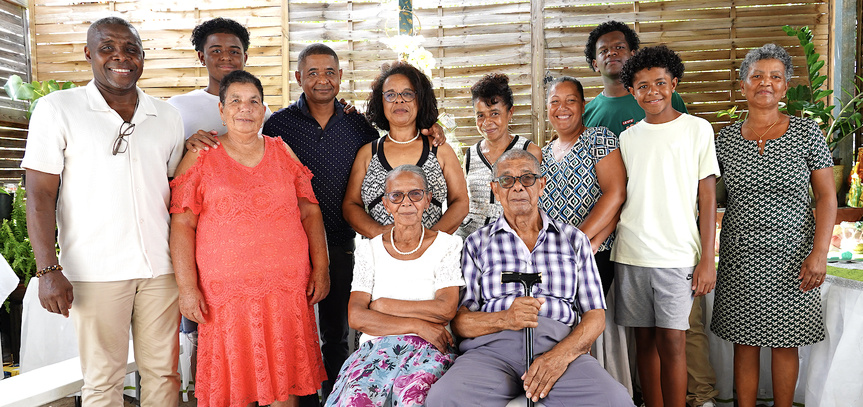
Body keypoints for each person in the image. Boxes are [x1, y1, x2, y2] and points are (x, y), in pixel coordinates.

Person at [22, 17, 184, 405]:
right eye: (107, 47)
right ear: (89, 54)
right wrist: (47, 270)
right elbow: (39, 194)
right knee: (103, 381)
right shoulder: (58, 109)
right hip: (95, 271)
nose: (120, 57)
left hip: (160, 270)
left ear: (143, 56)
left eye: (131, 48)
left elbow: (175, 192)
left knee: (165, 375)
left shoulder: (168, 116)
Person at [426, 149, 634, 406]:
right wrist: (505, 318)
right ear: (496, 189)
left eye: (527, 178)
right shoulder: (476, 243)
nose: (517, 187)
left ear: (541, 184)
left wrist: (559, 356)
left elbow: (595, 316)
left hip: (557, 345)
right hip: (490, 352)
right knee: (443, 398)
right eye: (506, 180)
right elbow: (461, 322)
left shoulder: (573, 240)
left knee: (615, 400)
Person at [169, 70, 328, 407]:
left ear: (263, 108)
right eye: (236, 101)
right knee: (231, 387)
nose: (245, 108)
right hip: (227, 295)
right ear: (222, 109)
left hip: (284, 288)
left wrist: (322, 268)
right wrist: (186, 287)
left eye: (253, 101)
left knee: (283, 384)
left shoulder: (281, 151)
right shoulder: (201, 154)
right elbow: (182, 224)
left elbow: (310, 212)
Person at [585, 21, 719, 407]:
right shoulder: (627, 138)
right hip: (631, 253)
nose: (653, 91)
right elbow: (621, 194)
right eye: (643, 86)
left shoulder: (698, 130)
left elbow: (707, 197)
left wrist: (706, 259)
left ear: (673, 84)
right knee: (643, 341)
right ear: (632, 91)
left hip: (678, 256)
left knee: (674, 341)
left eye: (660, 83)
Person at [710, 44, 836, 407]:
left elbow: (827, 197)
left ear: (785, 86)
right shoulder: (726, 140)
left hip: (794, 257)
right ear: (743, 83)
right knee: (744, 341)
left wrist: (819, 253)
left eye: (775, 77)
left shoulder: (805, 132)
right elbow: (707, 194)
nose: (765, 83)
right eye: (757, 76)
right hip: (740, 256)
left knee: (786, 341)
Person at [326, 165, 464, 406]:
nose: (406, 202)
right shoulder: (369, 250)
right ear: (386, 204)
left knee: (413, 399)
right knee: (355, 399)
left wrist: (381, 305)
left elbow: (445, 309)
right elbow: (357, 317)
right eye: (396, 196)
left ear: (428, 200)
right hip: (375, 350)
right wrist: (418, 325)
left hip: (430, 350)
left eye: (415, 194)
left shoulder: (447, 246)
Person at [344, 61, 468, 238]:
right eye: (390, 95)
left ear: (420, 99)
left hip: (431, 256)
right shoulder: (367, 153)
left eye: (407, 94)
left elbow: (461, 202)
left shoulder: (439, 150)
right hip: (380, 257)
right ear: (381, 101)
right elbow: (350, 205)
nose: (399, 100)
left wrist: (430, 238)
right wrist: (380, 234)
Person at [540, 76, 625, 294]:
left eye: (571, 100)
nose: (562, 108)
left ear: (583, 106)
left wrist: (580, 240)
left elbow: (616, 194)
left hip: (592, 254)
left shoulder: (599, 138)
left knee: (586, 324)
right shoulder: (544, 155)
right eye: (555, 101)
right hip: (552, 259)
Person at [456, 73, 541, 239]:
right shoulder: (471, 154)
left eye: (494, 113)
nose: (487, 122)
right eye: (480, 115)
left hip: (512, 240)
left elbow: (534, 203)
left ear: (510, 112)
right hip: (471, 239)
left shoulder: (530, 151)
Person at [168, 17, 272, 140]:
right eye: (216, 51)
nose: (226, 57)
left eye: (234, 52)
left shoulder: (259, 110)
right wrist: (186, 148)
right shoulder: (177, 107)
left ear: (245, 58)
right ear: (202, 57)